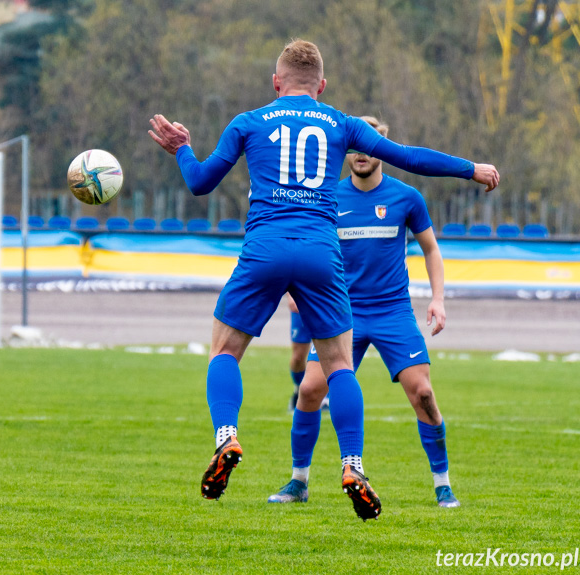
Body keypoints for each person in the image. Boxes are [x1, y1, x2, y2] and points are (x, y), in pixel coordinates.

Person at [148, 39, 499, 520]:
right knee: (338, 368)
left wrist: (182, 150)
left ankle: (227, 437)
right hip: (320, 252)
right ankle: (353, 466)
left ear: (276, 82)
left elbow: (201, 182)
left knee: (225, 351)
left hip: (265, 247)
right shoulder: (340, 123)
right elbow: (408, 157)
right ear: (323, 85)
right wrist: (471, 168)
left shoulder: (248, 123)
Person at [269, 116, 461, 508]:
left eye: (368, 146)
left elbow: (431, 250)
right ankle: (298, 482)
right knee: (308, 390)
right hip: (341, 314)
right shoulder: (329, 198)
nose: (359, 154)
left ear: (381, 148)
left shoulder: (407, 198)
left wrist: (438, 299)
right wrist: (295, 288)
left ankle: (442, 484)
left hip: (393, 312)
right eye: (354, 148)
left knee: (422, 393)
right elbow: (303, 244)